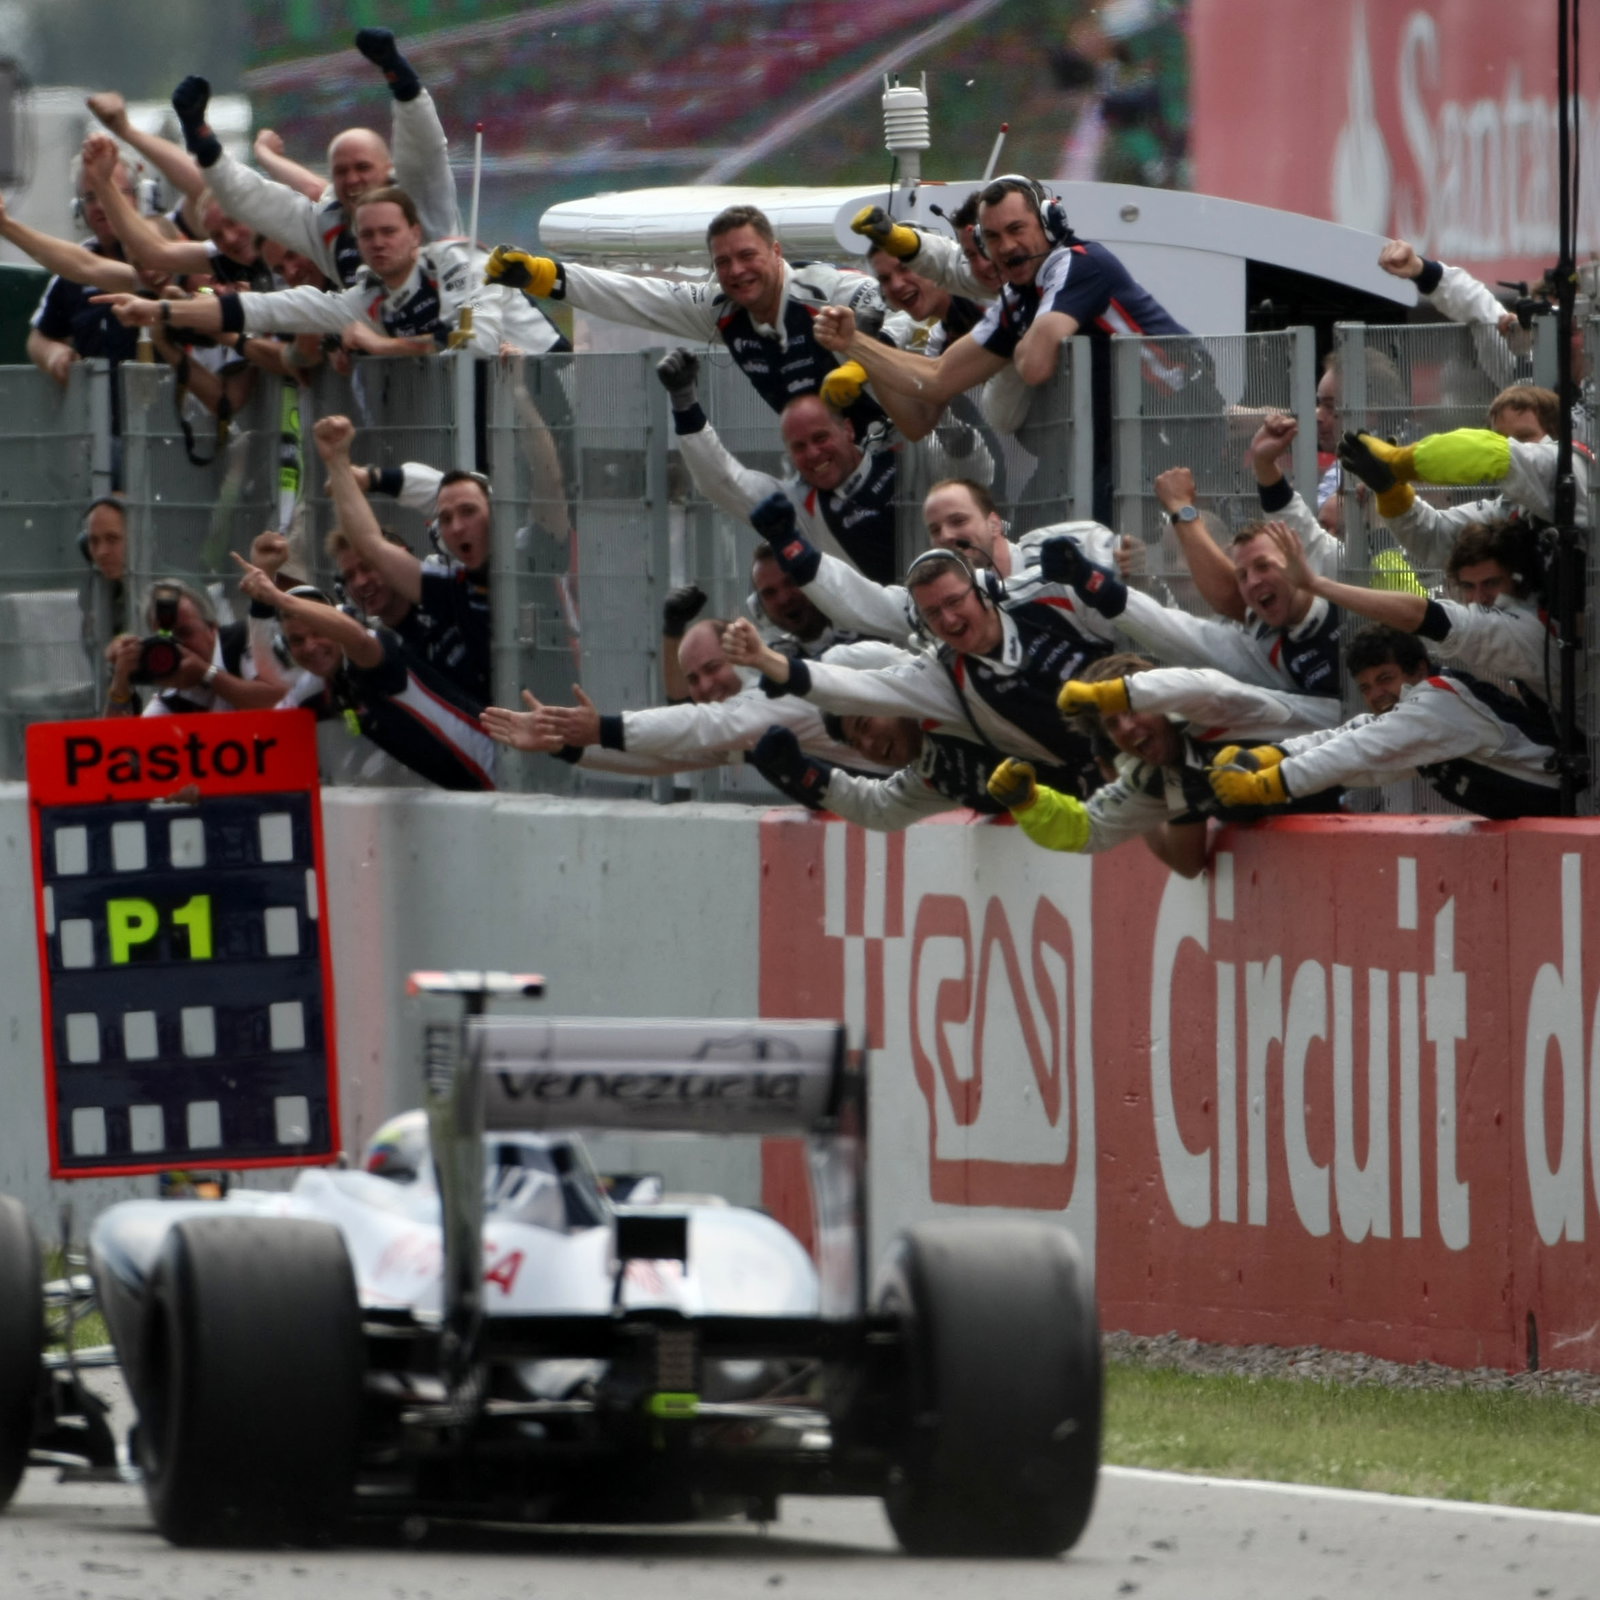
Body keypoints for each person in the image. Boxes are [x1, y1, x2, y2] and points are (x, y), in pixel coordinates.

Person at [817, 175, 1190, 520]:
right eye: (993, 237)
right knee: (1042, 534)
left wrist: (1012, 339)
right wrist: (856, 344)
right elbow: (937, 379)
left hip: (1176, 420)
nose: (1007, 247)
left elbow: (1034, 367)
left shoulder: (1077, 264)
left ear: (1050, 222)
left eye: (1016, 229)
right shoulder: (1018, 297)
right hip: (1116, 442)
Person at [484, 203, 909, 437]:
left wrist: (863, 364)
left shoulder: (821, 288)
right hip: (832, 466)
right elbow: (638, 296)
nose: (736, 271)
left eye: (748, 256)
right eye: (723, 262)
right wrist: (544, 276)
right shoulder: (722, 306)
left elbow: (898, 309)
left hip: (905, 446)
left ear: (776, 253)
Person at [721, 546, 1116, 793]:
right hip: (1102, 797)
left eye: (955, 602)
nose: (949, 620)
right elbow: (852, 689)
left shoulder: (1047, 594)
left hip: (1144, 735)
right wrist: (768, 662)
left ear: (981, 590)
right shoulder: (941, 680)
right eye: (933, 614)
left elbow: (1135, 619)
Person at [982, 651, 1339, 876]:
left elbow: (1204, 687)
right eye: (1112, 724)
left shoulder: (1213, 712)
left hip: (1365, 778)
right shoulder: (1160, 776)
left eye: (1132, 709)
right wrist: (1029, 802)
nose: (1126, 728)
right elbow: (1088, 829)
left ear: (1160, 702)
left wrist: (1112, 694)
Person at [94, 185, 504, 357]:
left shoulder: (457, 259)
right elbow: (265, 309)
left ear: (415, 233)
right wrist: (160, 311)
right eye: (367, 235)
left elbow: (476, 343)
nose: (378, 242)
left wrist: (382, 347)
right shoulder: (364, 297)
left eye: (389, 232)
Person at [1207, 626, 1559, 821]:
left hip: (1572, 810)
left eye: (1385, 678)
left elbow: (1359, 749)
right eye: (1366, 687)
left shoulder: (1439, 702)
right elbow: (1352, 736)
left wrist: (1268, 785)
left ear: (1419, 670)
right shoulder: (1415, 711)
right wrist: (1267, 756)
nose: (1377, 695)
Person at [480, 618, 891, 780]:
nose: (706, 686)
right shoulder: (743, 727)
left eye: (714, 668)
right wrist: (567, 744)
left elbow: (703, 725)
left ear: (743, 653)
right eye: (693, 679)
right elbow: (664, 758)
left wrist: (601, 728)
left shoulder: (776, 695)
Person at [235, 561, 496, 791]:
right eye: (297, 640)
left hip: (495, 775)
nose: (310, 647)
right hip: (463, 797)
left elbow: (357, 639)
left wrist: (278, 598)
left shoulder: (372, 649)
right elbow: (265, 736)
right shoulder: (317, 684)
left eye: (318, 632)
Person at [1039, 517, 1343, 705]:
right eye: (1242, 576)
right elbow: (1177, 634)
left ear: (1296, 560)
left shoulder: (1345, 589)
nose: (1253, 582)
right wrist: (1092, 582)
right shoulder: (1261, 644)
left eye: (1263, 566)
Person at [657, 349, 899, 582]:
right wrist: (684, 401)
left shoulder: (900, 460)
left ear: (848, 430)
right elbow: (722, 481)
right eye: (799, 447)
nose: (813, 453)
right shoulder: (798, 505)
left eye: (820, 438)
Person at [1267, 522, 1557, 709]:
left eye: (1491, 583)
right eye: (1468, 587)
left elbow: (1423, 614)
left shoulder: (1532, 630)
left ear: (1518, 579)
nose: (1479, 598)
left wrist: (1315, 584)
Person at [310, 417, 491, 703]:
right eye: (445, 519)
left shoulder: (525, 559)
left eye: (469, 512)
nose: (456, 527)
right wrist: (337, 461)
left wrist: (372, 479)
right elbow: (369, 544)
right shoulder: (452, 588)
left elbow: (457, 491)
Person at [1341, 388, 1590, 576]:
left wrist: (1398, 461)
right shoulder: (1510, 510)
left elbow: (1489, 452)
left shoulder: (1571, 468)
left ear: (1555, 437)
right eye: (1501, 438)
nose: (1513, 445)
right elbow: (1436, 537)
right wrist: (1391, 491)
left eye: (1524, 437)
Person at [25, 150, 142, 387]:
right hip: (96, 405)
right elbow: (39, 339)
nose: (100, 205)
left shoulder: (164, 259)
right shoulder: (71, 272)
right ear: (79, 208)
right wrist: (54, 355)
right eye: (90, 196)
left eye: (111, 192)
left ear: (139, 198)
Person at [103, 580, 279, 718]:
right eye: (165, 640)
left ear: (212, 628)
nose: (177, 647)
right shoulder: (173, 699)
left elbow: (279, 703)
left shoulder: (243, 641)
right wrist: (120, 682)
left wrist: (206, 673)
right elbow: (119, 746)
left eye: (184, 633)